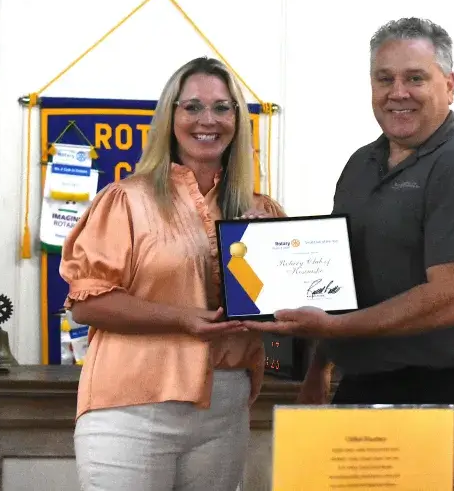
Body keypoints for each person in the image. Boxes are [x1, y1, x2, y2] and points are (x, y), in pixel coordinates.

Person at [244, 18, 454, 491]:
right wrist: (319, 367)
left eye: (415, 78)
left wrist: (334, 329)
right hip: (361, 382)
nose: (397, 92)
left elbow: (453, 299)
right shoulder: (360, 165)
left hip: (435, 393)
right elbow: (340, 278)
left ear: (449, 85)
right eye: (384, 78)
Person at [60, 56, 286, 491]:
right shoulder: (127, 199)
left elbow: (281, 319)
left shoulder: (262, 212)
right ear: (170, 116)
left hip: (224, 407)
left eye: (222, 107)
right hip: (131, 406)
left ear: (238, 120)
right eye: (193, 107)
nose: (208, 120)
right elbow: (88, 305)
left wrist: (269, 256)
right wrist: (184, 319)